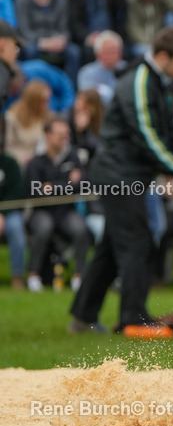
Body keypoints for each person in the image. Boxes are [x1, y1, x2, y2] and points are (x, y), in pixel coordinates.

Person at [69, 26, 173, 335]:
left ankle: (82, 317)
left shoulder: (158, 82)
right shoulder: (140, 81)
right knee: (137, 241)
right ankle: (133, 318)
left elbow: (168, 135)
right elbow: (148, 139)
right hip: (118, 175)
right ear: (162, 56)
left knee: (112, 248)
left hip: (128, 174)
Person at [24, 116, 93, 292]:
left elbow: (83, 185)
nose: (65, 138)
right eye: (60, 134)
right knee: (43, 227)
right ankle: (33, 275)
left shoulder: (73, 157)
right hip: (41, 212)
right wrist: (68, 184)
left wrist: (52, 186)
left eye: (66, 134)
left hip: (66, 212)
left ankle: (79, 276)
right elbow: (34, 191)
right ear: (47, 135)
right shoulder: (36, 160)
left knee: (81, 229)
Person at [15, 0, 81, 80]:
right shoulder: (22, 0)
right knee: (29, 50)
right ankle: (31, 88)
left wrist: (60, 40)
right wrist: (42, 43)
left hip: (56, 42)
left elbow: (65, 29)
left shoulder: (62, 0)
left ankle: (70, 91)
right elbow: (24, 31)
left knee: (74, 52)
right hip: (34, 43)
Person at [0, 137, 27, 290]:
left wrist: (2, 213)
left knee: (16, 228)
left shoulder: (10, 163)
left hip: (9, 212)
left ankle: (17, 277)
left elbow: (17, 192)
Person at [4, 79, 51, 167]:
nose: (47, 104)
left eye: (48, 100)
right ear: (33, 100)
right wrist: (23, 158)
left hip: (42, 163)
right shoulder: (12, 117)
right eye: (43, 101)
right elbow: (8, 147)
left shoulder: (47, 117)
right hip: (19, 163)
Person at [77, 31, 126, 106]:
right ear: (97, 55)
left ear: (120, 53)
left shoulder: (128, 69)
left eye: (113, 52)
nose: (110, 56)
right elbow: (90, 99)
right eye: (107, 52)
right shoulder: (87, 73)